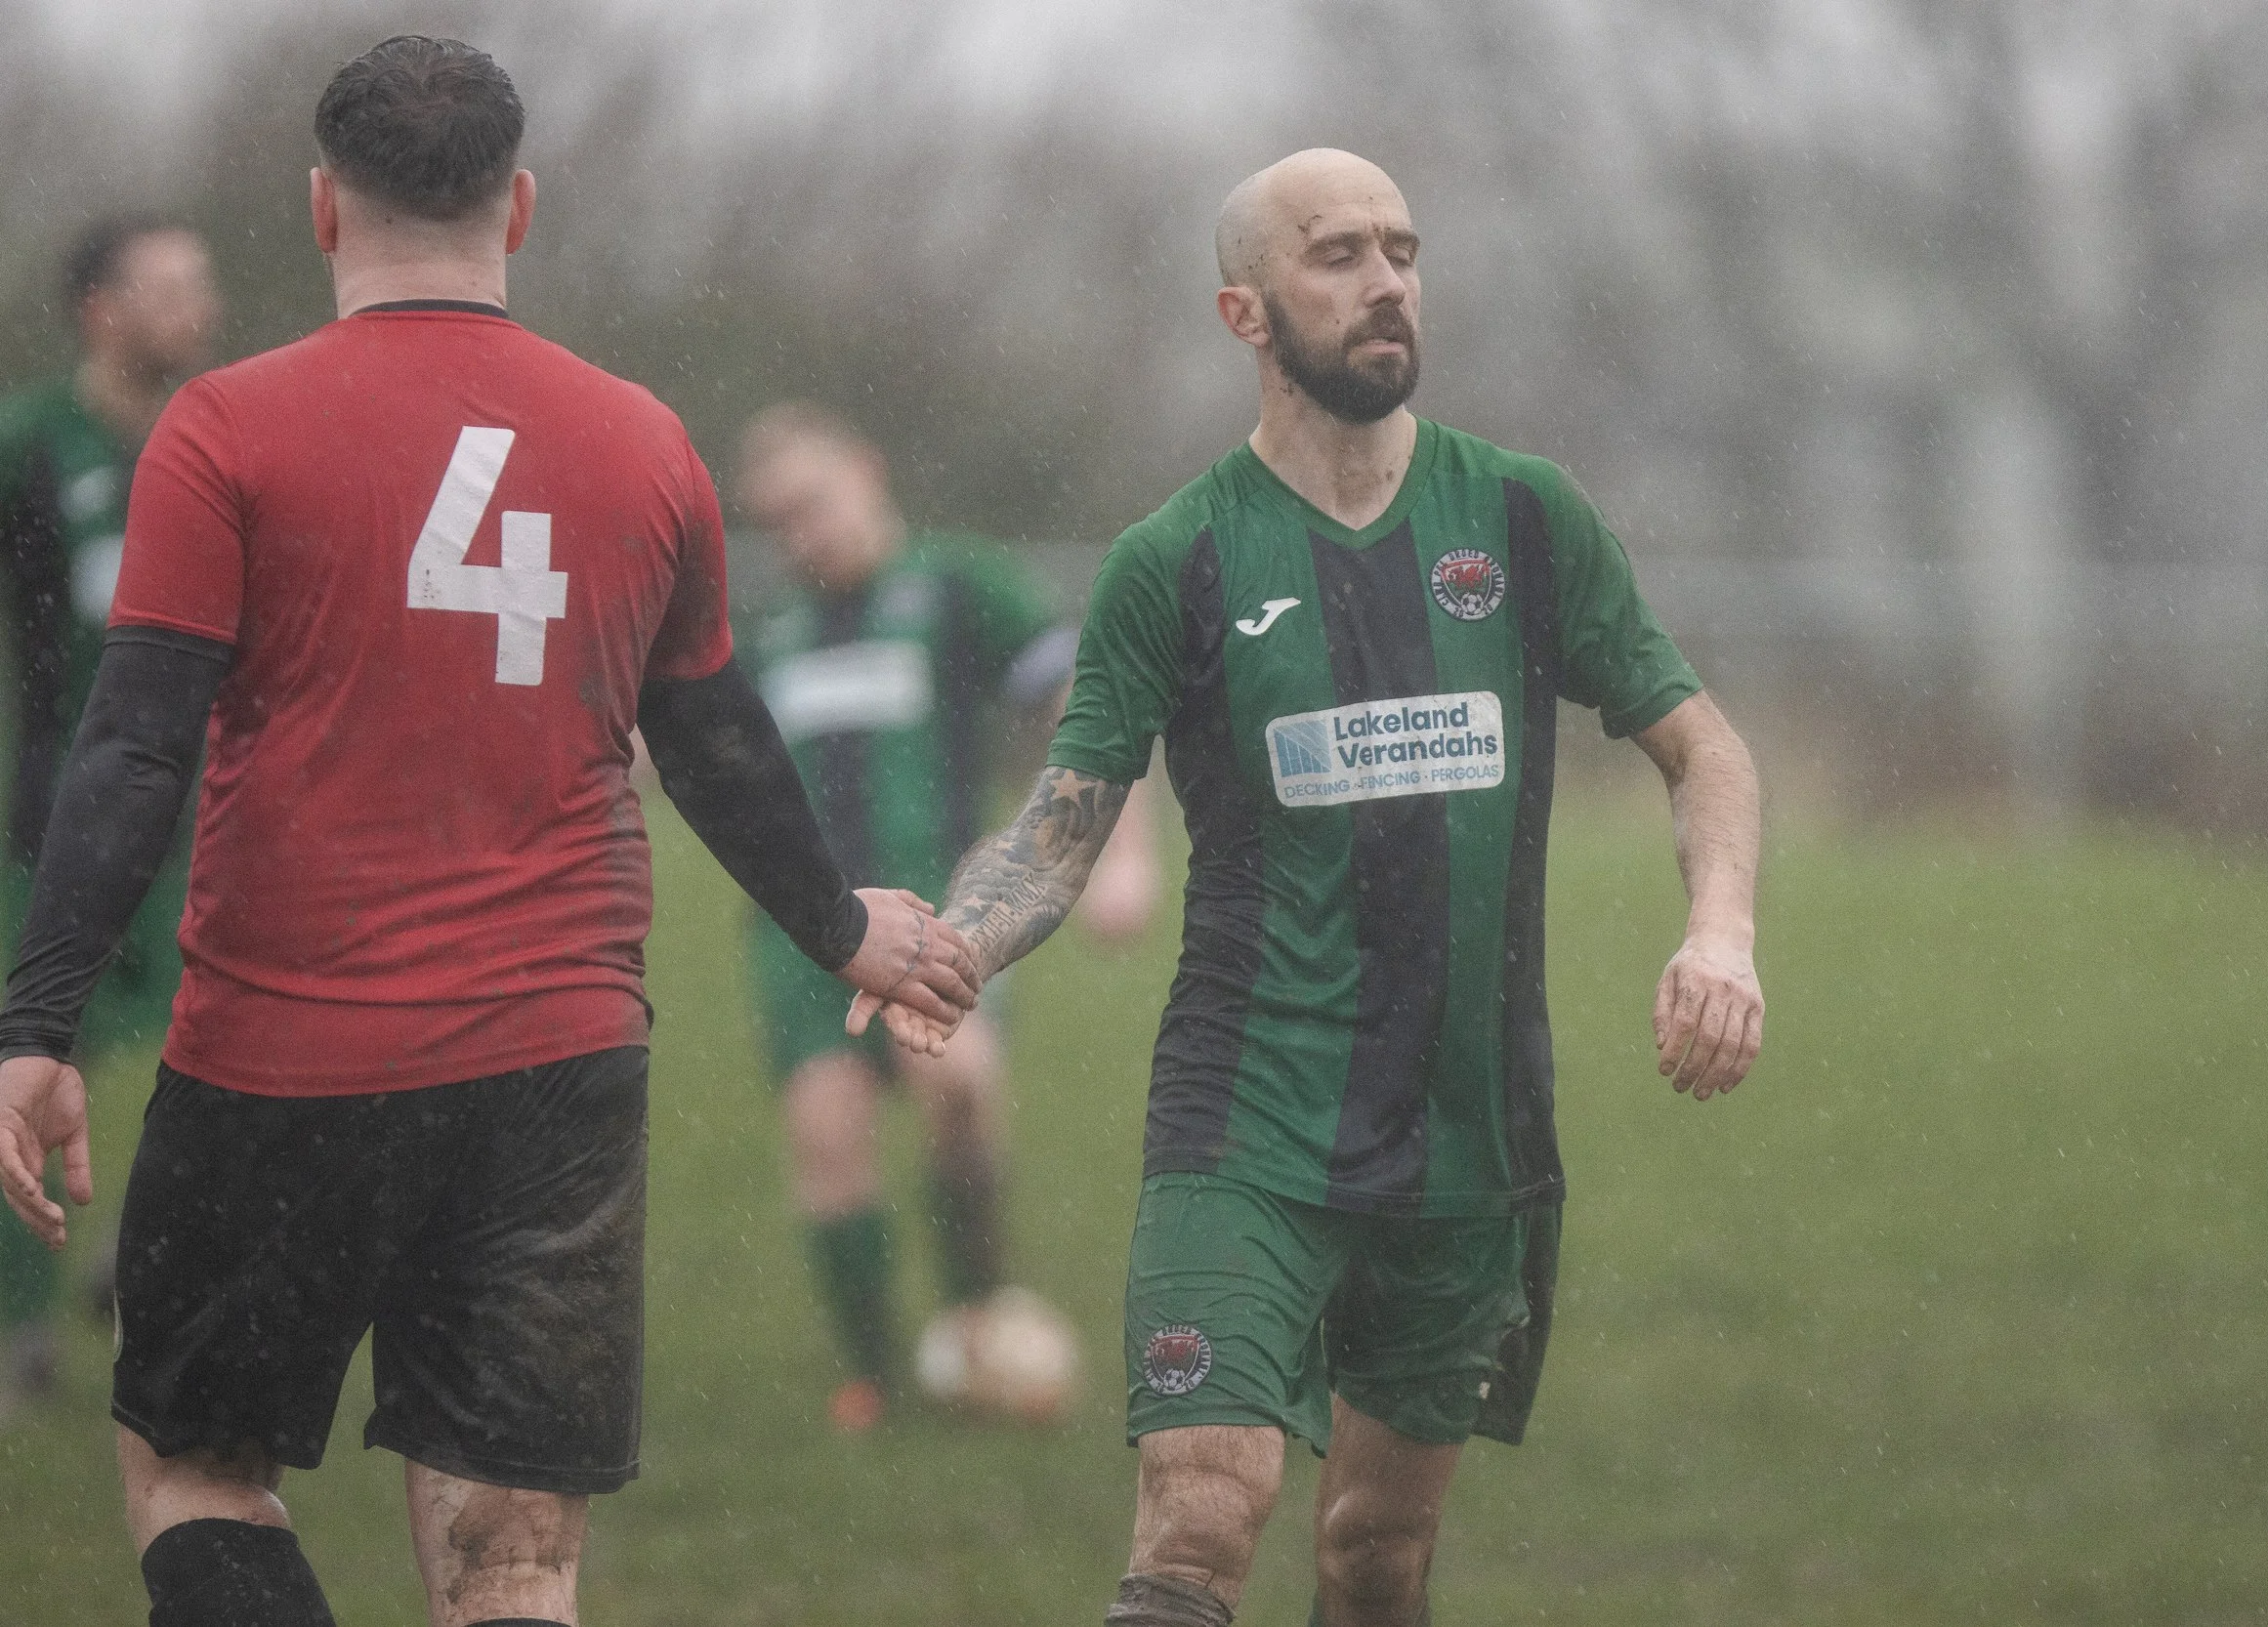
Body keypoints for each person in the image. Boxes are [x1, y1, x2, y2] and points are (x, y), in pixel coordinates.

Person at [0, 36, 974, 1627]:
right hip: (552, 1068)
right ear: (518, 206)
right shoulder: (645, 440)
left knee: (198, 1469)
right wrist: (846, 924)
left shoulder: (223, 428)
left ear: (323, 210)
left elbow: (130, 740)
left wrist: (36, 1019)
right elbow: (716, 734)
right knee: (514, 1563)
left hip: (280, 1053)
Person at [864, 148, 1766, 1627]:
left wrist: (1720, 931)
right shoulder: (1179, 554)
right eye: (1337, 252)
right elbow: (1066, 816)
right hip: (1248, 1117)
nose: (1387, 279)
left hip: (1469, 1129)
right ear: (1245, 310)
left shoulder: (1525, 516)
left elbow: (1705, 746)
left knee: (1373, 1553)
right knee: (1204, 1511)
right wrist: (958, 942)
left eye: (1402, 247)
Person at [733, 403, 1158, 1431]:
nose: (803, 534)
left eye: (814, 503)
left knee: (958, 1086)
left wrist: (1122, 853)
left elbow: (1086, 710)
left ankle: (973, 1313)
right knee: (829, 1135)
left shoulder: (961, 587)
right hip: (805, 933)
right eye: (777, 521)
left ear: (868, 468)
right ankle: (874, 1383)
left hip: (945, 908)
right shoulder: (772, 632)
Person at [0, 215, 222, 1417]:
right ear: (100, 310)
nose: (198, 306)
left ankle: (136, 1251)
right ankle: (19, 1332)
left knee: (234, 1040)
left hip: (212, 804)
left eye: (204, 283)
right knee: (34, 1048)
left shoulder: (229, 433)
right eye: (168, 287)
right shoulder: (32, 446)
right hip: (60, 804)